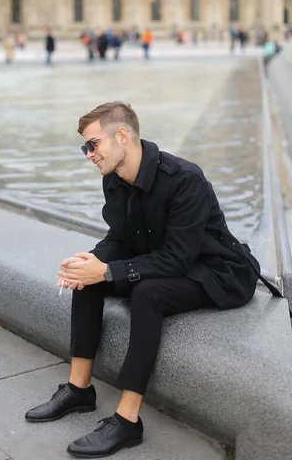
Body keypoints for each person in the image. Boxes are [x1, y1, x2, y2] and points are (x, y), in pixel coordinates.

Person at [25, 101, 270, 458]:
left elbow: (179, 258)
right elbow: (120, 238)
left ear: (122, 135)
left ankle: (127, 420)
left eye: (93, 144)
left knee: (148, 293)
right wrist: (92, 261)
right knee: (88, 277)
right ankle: (79, 389)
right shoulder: (114, 179)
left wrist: (108, 270)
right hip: (166, 261)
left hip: (216, 271)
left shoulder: (184, 179)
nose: (88, 154)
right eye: (85, 147)